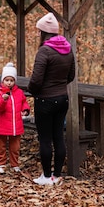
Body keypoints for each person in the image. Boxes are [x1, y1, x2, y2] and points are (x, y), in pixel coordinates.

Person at [28, 12, 75, 186]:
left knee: (45, 139)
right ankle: (57, 175)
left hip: (45, 101)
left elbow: (36, 80)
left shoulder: (44, 51)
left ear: (43, 32)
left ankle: (46, 177)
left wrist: (32, 90)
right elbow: (71, 75)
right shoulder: (68, 48)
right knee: (58, 137)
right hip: (63, 99)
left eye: (39, 31)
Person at [0, 62, 30, 174]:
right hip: (2, 124)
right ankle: (1, 164)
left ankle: (15, 164)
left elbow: (24, 102)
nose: (9, 83)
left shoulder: (19, 92)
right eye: (7, 80)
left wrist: (25, 110)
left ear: (14, 81)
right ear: (3, 80)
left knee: (15, 147)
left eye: (11, 80)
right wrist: (3, 100)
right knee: (1, 146)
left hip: (16, 125)